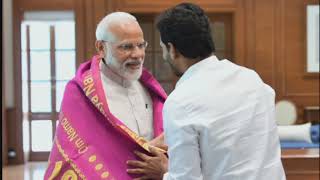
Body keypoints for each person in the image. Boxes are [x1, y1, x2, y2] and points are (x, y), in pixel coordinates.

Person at [127, 3, 286, 180]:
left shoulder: (180, 101)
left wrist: (165, 171)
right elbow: (227, 123)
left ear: (172, 49)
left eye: (163, 48)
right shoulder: (252, 79)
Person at [44, 12, 167, 179]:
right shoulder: (80, 92)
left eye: (141, 45)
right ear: (101, 48)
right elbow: (79, 154)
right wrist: (147, 150)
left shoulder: (149, 87)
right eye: (127, 47)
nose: (138, 54)